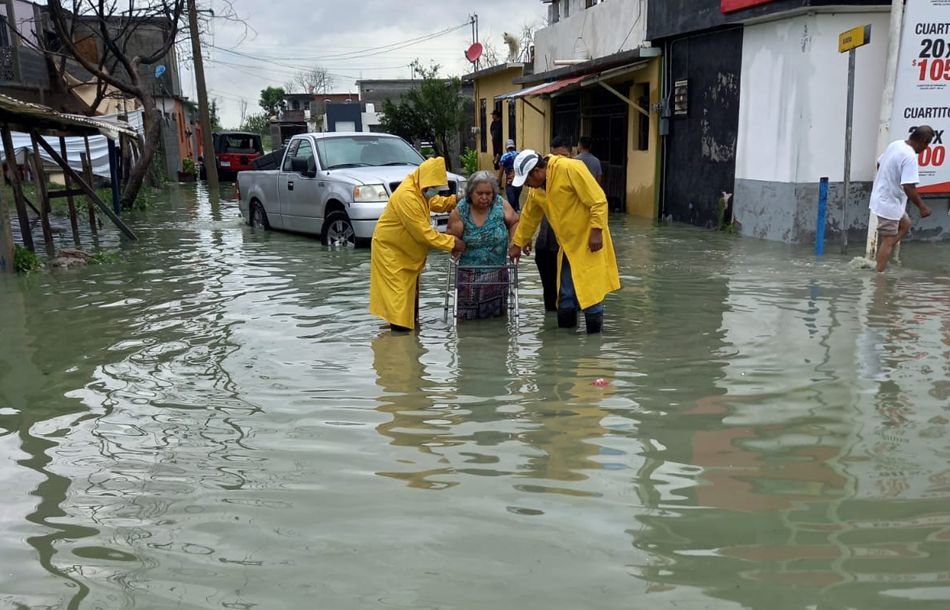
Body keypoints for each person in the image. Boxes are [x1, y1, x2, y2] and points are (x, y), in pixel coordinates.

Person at [509, 150, 620, 334]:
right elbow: (529, 215)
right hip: (568, 246)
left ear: (537, 171)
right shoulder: (537, 190)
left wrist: (596, 232)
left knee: (591, 293)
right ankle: (565, 346)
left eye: (528, 180)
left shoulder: (570, 168)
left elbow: (598, 201)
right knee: (566, 294)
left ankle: (594, 342)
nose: (528, 186)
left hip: (588, 242)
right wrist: (518, 243)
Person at [370, 157, 465, 332]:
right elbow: (423, 234)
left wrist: (455, 200)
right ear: (426, 181)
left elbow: (434, 202)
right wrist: (453, 243)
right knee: (398, 298)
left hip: (405, 251)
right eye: (433, 188)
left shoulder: (419, 189)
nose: (434, 191)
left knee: (409, 296)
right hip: (390, 251)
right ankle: (400, 339)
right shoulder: (407, 196)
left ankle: (409, 334)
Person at [447, 171, 519, 320]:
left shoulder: (500, 204)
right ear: (470, 193)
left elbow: (514, 222)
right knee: (466, 322)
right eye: (480, 193)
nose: (485, 197)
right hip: (469, 278)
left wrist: (514, 243)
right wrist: (455, 244)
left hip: (496, 275)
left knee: (498, 322)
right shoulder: (461, 210)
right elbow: (451, 238)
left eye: (488, 193)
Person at [870, 125, 934, 272]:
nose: (925, 149)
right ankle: (879, 276)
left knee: (905, 224)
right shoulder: (910, 156)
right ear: (923, 141)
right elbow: (909, 187)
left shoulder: (896, 144)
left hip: (885, 198)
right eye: (927, 145)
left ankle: (885, 251)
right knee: (887, 240)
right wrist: (922, 207)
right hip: (889, 203)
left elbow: (879, 163)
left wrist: (886, 181)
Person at [533, 139, 573, 312]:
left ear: (571, 155)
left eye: (563, 156)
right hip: (546, 243)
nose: (559, 161)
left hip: (569, 244)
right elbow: (529, 214)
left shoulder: (575, 173)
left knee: (569, 291)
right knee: (550, 292)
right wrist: (521, 239)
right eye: (555, 157)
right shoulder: (538, 184)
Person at [498, 139, 521, 211]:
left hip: (510, 182)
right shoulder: (519, 155)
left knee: (512, 202)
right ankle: (518, 215)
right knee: (516, 200)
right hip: (519, 182)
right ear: (514, 146)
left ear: (506, 147)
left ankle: (514, 217)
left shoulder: (504, 157)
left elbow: (501, 172)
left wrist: (499, 184)